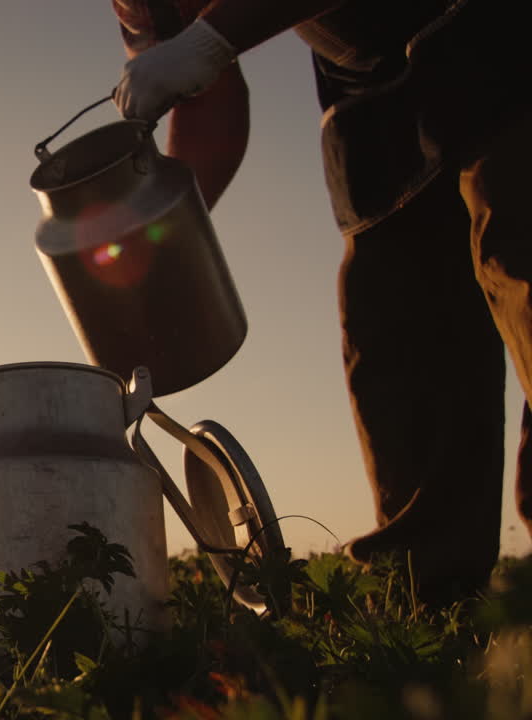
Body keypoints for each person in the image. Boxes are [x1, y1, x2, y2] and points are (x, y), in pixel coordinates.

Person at [109, 0, 531, 602]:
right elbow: (206, 94)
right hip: (373, 92)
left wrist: (209, 41)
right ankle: (427, 595)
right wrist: (164, 246)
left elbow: (206, 52)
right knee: (395, 319)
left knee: (521, 250)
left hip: (493, 29)